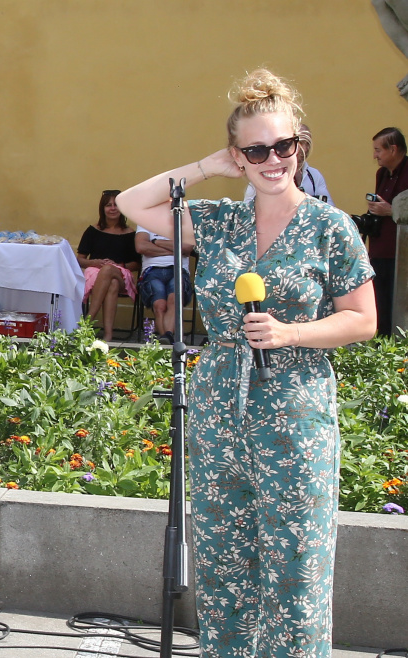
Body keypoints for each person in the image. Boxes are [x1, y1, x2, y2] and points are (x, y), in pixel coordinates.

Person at [117, 69, 376, 657]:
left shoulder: (330, 227)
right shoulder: (218, 222)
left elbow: (363, 319)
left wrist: (290, 332)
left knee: (297, 565)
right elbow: (133, 203)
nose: (271, 159)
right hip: (217, 411)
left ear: (300, 147)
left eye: (282, 146)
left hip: (295, 412)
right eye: (255, 149)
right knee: (224, 564)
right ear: (240, 154)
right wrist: (207, 166)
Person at [75, 190, 139, 342]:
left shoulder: (130, 233)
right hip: (95, 275)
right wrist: (94, 262)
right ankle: (108, 335)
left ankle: (88, 321)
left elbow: (136, 263)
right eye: (108, 205)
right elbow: (80, 259)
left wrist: (118, 265)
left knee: (110, 270)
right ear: (102, 208)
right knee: (112, 284)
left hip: (122, 274)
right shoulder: (92, 231)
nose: (112, 208)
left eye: (116, 205)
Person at [366, 127, 408, 335]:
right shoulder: (382, 174)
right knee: (379, 305)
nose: (375, 155)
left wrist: (389, 210)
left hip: (401, 254)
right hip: (379, 249)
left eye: (378, 150)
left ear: (393, 149)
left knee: (397, 308)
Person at [243, 124, 334, 206]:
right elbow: (247, 213)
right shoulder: (267, 174)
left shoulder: (313, 175)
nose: (302, 148)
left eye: (305, 143)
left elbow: (329, 208)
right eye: (298, 143)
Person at [134, 226, 193, 343]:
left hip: (178, 269)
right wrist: (176, 249)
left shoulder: (183, 220)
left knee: (174, 300)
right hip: (152, 271)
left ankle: (166, 338)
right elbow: (141, 247)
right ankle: (169, 339)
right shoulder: (145, 221)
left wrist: (155, 242)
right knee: (159, 305)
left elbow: (187, 247)